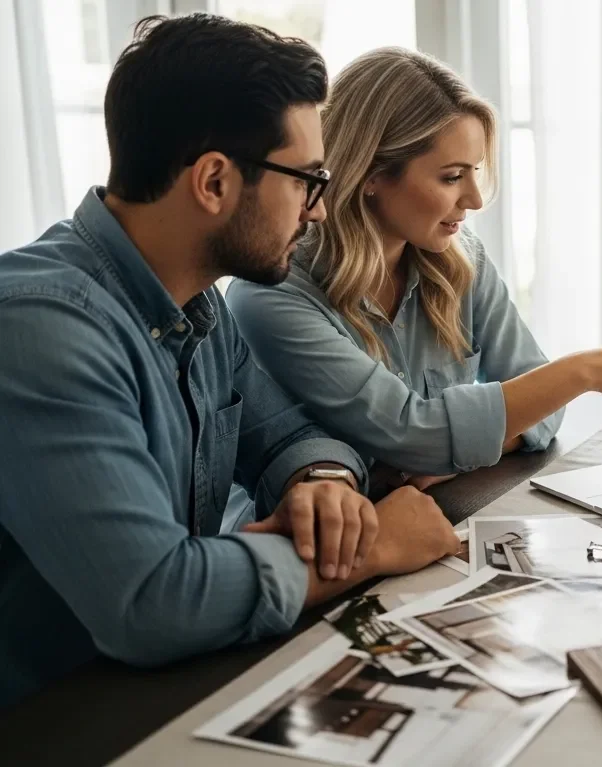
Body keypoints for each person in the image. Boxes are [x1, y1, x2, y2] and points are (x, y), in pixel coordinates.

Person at [0, 16, 459, 707]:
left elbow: (289, 434)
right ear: (214, 181)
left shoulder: (199, 307)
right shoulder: (40, 328)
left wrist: (324, 483)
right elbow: (152, 602)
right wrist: (371, 548)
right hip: (63, 718)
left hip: (171, 688)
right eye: (307, 181)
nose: (319, 213)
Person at [227, 47, 602, 491]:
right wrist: (580, 371)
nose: (476, 199)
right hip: (323, 557)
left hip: (438, 513)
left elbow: (544, 409)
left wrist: (448, 455)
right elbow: (410, 429)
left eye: (475, 172)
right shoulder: (273, 293)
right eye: (451, 177)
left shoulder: (462, 260)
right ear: (372, 175)